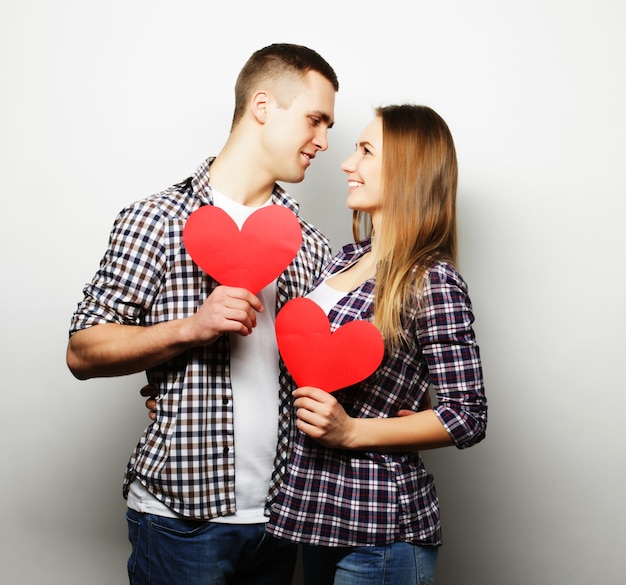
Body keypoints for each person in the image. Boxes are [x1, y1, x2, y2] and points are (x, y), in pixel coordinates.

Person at [66, 43, 338, 585]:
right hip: (179, 523)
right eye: (315, 120)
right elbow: (82, 350)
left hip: (281, 518)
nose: (324, 142)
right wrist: (193, 328)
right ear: (263, 106)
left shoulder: (310, 245)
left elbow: (329, 365)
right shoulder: (157, 220)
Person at [264, 104, 488, 584]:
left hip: (381, 529)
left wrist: (353, 432)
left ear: (407, 172)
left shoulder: (431, 280)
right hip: (318, 520)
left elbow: (467, 415)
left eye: (366, 151)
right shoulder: (342, 261)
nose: (347, 163)